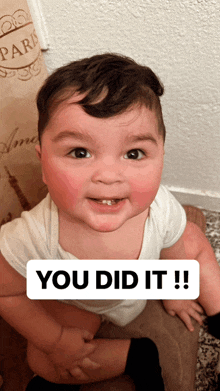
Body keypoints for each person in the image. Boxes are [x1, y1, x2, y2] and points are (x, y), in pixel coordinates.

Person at [0, 53, 220, 391]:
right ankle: (138, 356)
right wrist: (57, 339)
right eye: (79, 152)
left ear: (161, 155)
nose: (108, 176)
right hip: (78, 298)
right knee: (41, 361)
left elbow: (176, 249)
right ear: (43, 164)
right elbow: (8, 294)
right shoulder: (31, 237)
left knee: (193, 241)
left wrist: (174, 292)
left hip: (149, 278)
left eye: (134, 154)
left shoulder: (159, 207)